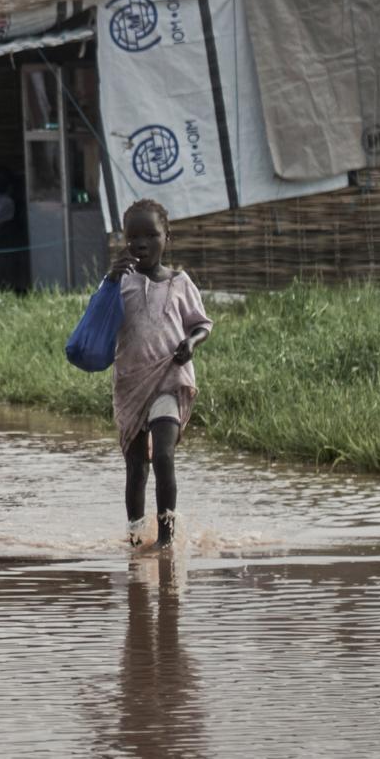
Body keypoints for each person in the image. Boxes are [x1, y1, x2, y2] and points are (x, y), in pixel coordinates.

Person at [109, 198, 211, 550]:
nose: (141, 244)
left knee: (164, 456)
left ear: (167, 237)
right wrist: (109, 280)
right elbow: (95, 326)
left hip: (170, 378)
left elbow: (201, 324)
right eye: (133, 237)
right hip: (130, 385)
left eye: (151, 235)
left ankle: (166, 539)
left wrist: (192, 343)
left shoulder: (180, 283)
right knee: (136, 468)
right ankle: (137, 539)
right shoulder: (118, 285)